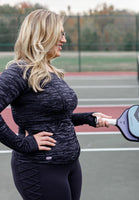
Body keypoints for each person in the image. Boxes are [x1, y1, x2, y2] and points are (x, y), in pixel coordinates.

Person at [0, 9, 111, 200]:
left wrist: (88, 118)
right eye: (59, 34)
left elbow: (56, 118)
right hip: (40, 168)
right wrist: (22, 144)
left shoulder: (50, 71)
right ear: (43, 35)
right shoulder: (19, 71)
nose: (64, 40)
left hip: (69, 165)